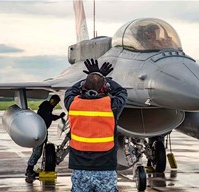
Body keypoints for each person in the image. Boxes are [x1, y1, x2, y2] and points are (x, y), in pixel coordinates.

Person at [64, 58, 128, 192]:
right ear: (105, 88)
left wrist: (90, 77)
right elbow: (122, 92)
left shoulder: (72, 104)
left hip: (80, 168)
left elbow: (70, 91)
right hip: (105, 168)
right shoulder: (112, 106)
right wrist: (103, 78)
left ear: (84, 87)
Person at [25, 94, 65, 177]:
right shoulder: (46, 107)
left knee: (37, 151)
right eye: (56, 102)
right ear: (53, 100)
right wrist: (59, 116)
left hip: (42, 130)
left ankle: (30, 169)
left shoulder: (47, 106)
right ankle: (29, 170)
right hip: (40, 131)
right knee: (37, 152)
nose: (56, 104)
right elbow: (49, 117)